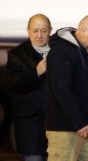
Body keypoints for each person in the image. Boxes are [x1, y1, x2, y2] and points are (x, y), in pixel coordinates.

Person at [45, 15, 88, 161]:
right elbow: (62, 91)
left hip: (87, 128)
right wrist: (79, 121)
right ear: (84, 30)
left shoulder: (84, 52)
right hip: (65, 129)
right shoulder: (61, 52)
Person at [5, 13, 52, 161]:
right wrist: (36, 72)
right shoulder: (17, 55)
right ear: (28, 31)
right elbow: (11, 83)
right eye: (35, 31)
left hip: (56, 126)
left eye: (43, 31)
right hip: (30, 126)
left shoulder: (59, 52)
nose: (39, 35)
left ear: (50, 31)